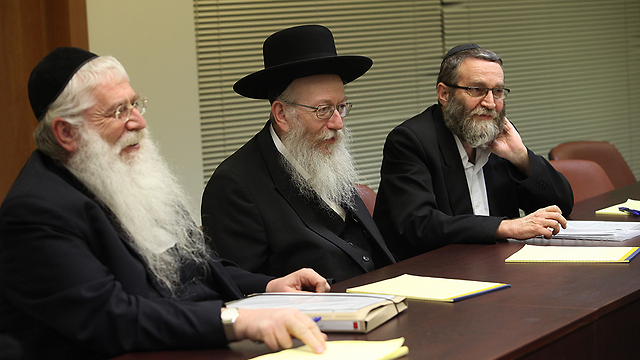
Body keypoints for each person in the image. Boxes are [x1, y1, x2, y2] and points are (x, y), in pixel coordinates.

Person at [0, 47, 329, 360]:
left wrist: (269, 286)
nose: (138, 122)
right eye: (117, 112)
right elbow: (111, 318)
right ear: (66, 133)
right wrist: (235, 320)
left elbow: (201, 268)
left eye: (134, 104)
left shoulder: (133, 177)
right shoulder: (36, 213)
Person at [201, 25, 395, 284]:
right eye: (324, 109)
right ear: (282, 114)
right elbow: (240, 289)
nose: (338, 122)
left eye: (341, 107)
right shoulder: (234, 185)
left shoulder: (323, 158)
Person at [374, 44, 574, 261]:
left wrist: (521, 157)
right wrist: (505, 227)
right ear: (444, 93)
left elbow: (561, 206)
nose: (490, 103)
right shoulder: (411, 140)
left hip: (495, 264)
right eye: (476, 90)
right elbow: (420, 224)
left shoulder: (496, 135)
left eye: (497, 91)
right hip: (434, 271)